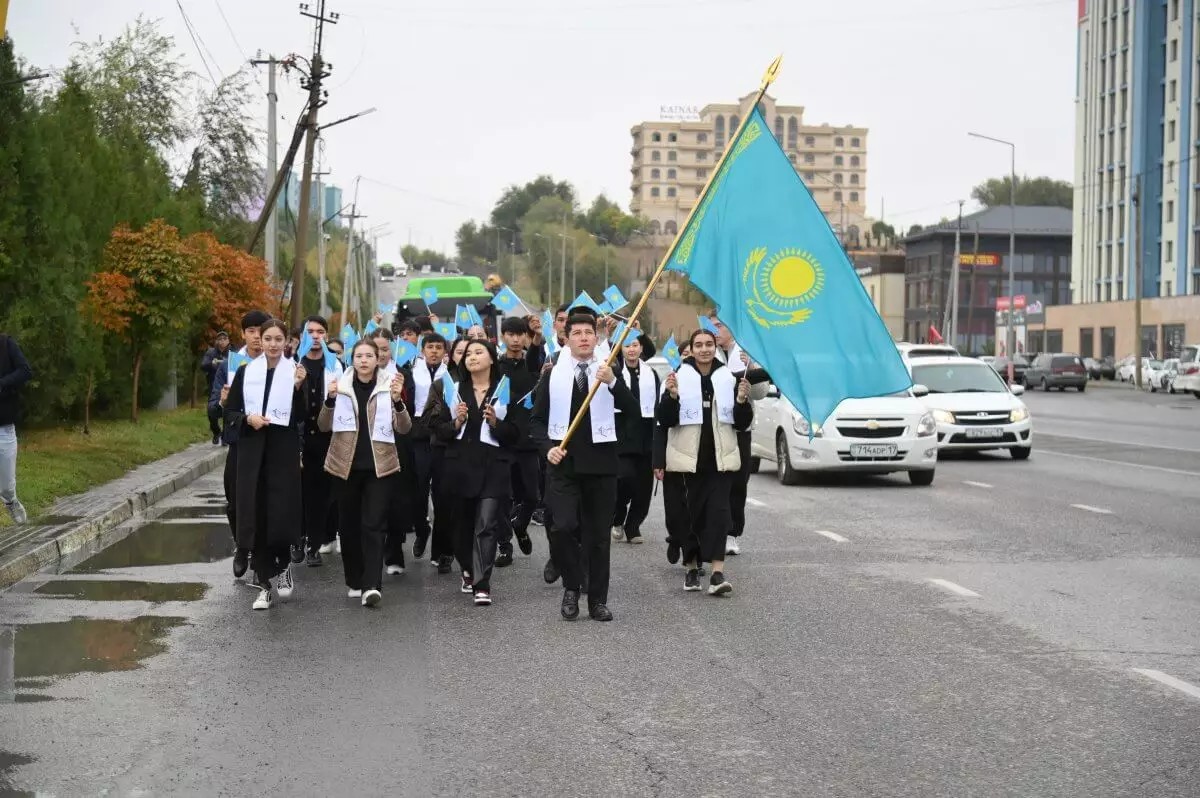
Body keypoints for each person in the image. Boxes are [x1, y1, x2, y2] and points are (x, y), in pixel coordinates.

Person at [530, 313, 640, 622]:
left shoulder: (609, 370)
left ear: (596, 337)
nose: (583, 338)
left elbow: (634, 413)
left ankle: (597, 601)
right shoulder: (553, 375)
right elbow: (536, 421)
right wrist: (547, 449)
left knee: (597, 537)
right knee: (563, 527)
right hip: (563, 467)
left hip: (602, 466)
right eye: (576, 332)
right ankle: (571, 586)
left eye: (588, 332)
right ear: (565, 338)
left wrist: (613, 383)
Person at [658, 328, 753, 596]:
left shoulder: (727, 378)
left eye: (709, 344)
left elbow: (742, 423)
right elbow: (665, 420)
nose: (704, 349)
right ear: (692, 348)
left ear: (715, 347)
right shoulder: (678, 376)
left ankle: (717, 573)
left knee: (719, 516)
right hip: (688, 464)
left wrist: (742, 401)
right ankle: (690, 568)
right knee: (689, 518)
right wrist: (672, 396)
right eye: (698, 345)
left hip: (719, 462)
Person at [319, 338, 413, 607]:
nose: (363, 360)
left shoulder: (389, 386)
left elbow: (404, 428)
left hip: (380, 467)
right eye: (358, 355)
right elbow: (323, 425)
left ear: (377, 359)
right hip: (344, 467)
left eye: (368, 356)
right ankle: (354, 579)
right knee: (348, 526)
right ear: (352, 359)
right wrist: (329, 400)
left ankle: (372, 584)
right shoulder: (341, 385)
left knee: (373, 524)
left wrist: (397, 402)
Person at [224, 319, 309, 610]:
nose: (273, 344)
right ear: (260, 340)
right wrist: (248, 419)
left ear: (287, 342)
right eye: (267, 338)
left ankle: (283, 564)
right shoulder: (247, 372)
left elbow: (302, 416)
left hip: (281, 450)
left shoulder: (295, 372)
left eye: (278, 339)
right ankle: (263, 583)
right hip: (252, 449)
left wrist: (298, 388)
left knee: (280, 511)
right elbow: (230, 411)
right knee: (255, 512)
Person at [445, 340, 522, 605]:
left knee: (487, 523)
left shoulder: (505, 391)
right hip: (461, 467)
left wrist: (496, 423)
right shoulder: (453, 390)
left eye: (479, 352)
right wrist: (456, 421)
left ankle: (482, 583)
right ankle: (467, 568)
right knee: (461, 527)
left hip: (494, 466)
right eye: (468, 354)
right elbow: (437, 430)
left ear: (492, 359)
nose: (472, 357)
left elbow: (517, 434)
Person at [210, 309, 269, 578]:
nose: (257, 337)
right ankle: (241, 545)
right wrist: (222, 402)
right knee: (235, 499)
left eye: (262, 331)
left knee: (264, 499)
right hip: (239, 440)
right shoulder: (230, 365)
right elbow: (213, 406)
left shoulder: (278, 365)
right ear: (243, 334)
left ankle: (260, 552)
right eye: (252, 332)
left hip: (269, 440)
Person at [707, 311, 771, 557]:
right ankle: (711, 530)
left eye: (719, 326)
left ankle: (732, 533)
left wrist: (751, 367)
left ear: (731, 328)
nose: (715, 330)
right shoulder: (705, 350)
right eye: (711, 325)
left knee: (737, 483)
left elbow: (761, 394)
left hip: (739, 429)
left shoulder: (745, 353)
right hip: (713, 428)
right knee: (714, 482)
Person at [298, 316, 342, 567]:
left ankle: (314, 544)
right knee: (303, 493)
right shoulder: (294, 364)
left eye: (320, 332)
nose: (315, 336)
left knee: (324, 494)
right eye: (310, 331)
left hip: (328, 437)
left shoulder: (335, 365)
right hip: (302, 438)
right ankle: (301, 538)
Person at [495, 317, 538, 566]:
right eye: (510, 334)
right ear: (503, 336)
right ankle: (505, 545)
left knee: (532, 495)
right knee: (503, 497)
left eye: (519, 334)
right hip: (503, 439)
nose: (515, 339)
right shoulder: (497, 366)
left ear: (526, 337)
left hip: (529, 440)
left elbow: (537, 357)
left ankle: (520, 525)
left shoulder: (532, 364)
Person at [611, 333, 660, 545]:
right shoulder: (614, 371)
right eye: (627, 346)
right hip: (621, 433)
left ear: (641, 348)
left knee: (643, 486)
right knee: (624, 479)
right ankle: (618, 517)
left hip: (646, 433)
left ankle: (633, 526)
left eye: (635, 345)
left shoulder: (652, 373)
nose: (631, 350)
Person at [408, 333, 451, 569]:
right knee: (418, 490)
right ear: (422, 350)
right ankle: (422, 530)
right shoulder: (412, 370)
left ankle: (441, 550)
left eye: (438, 347)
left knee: (442, 494)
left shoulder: (449, 374)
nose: (434, 351)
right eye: (430, 347)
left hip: (441, 435)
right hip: (418, 435)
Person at [0, 333, 33, 525]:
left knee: (6, 486)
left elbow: (26, 371)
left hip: (3, 428)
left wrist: (2, 383)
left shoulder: (6, 344)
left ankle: (11, 501)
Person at [200, 332, 230, 444]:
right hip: (214, 387)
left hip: (228, 387)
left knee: (228, 411)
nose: (222, 341)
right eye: (220, 339)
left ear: (228, 340)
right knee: (211, 411)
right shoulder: (211, 352)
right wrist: (212, 364)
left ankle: (225, 437)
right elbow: (203, 366)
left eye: (225, 339)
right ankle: (216, 431)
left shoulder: (233, 353)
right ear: (217, 341)